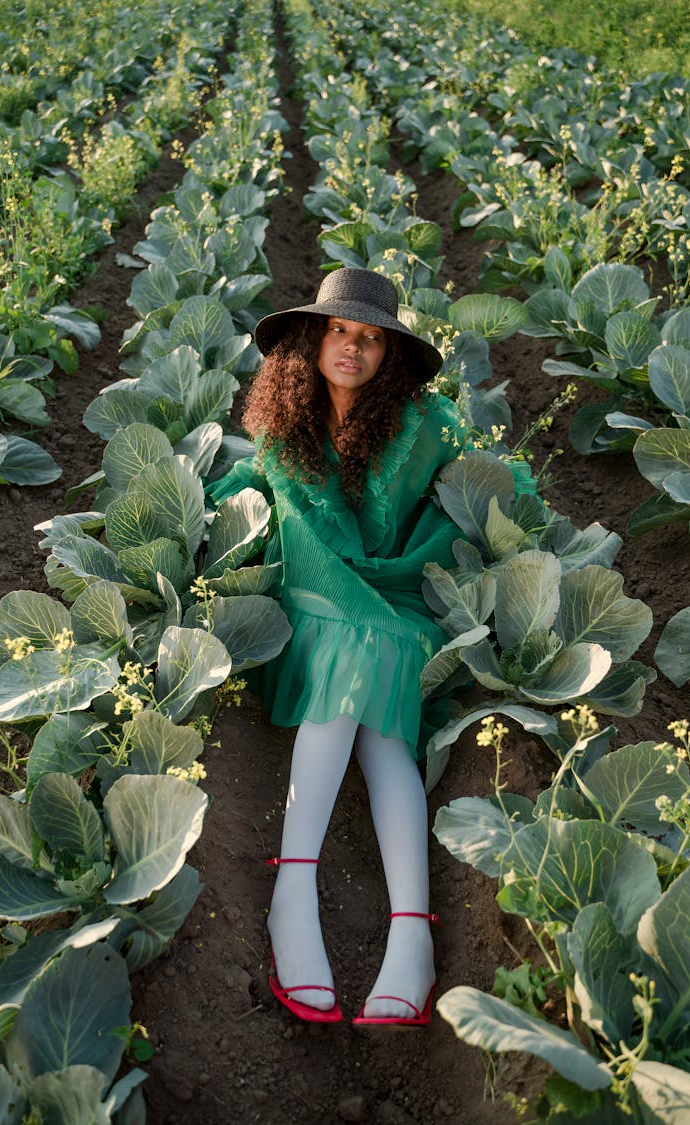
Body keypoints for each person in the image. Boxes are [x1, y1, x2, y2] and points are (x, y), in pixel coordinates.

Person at [204, 267, 469, 1027]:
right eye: (340, 330)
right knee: (367, 680)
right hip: (313, 597)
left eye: (371, 337)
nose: (352, 347)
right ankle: (322, 905)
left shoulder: (420, 425)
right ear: (314, 337)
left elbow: (464, 491)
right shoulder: (286, 416)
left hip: (390, 592)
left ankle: (396, 929)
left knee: (379, 694)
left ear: (389, 354)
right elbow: (256, 480)